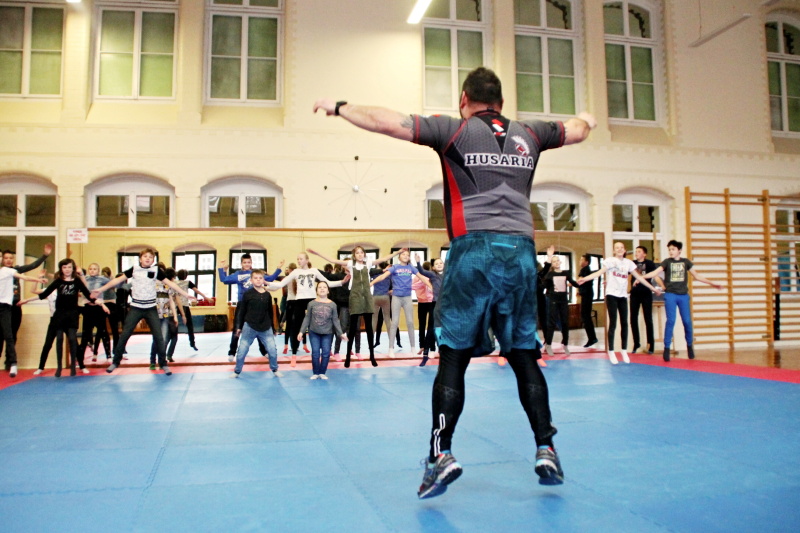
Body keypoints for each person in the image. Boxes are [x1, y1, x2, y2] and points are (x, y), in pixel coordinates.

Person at [315, 66, 596, 497]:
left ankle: (441, 455)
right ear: (501, 102)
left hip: (473, 251)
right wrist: (589, 118)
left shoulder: (454, 130)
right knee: (524, 355)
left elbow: (388, 121)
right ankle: (546, 448)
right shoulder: (531, 133)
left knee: (454, 357)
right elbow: (577, 129)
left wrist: (340, 107)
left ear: (464, 99)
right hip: (521, 253)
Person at [90, 248, 196, 375]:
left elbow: (170, 284)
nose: (147, 259)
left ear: (153, 260)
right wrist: (101, 289)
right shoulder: (134, 269)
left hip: (151, 308)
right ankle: (115, 361)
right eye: (145, 256)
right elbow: (117, 280)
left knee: (159, 337)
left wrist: (185, 294)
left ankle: (163, 363)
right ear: (140, 259)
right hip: (136, 307)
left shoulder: (156, 270)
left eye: (150, 257)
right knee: (125, 334)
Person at [308, 246, 399, 367]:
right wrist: (317, 252)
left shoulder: (368, 264)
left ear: (364, 254)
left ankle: (369, 355)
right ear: (354, 256)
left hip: (365, 297)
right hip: (352, 300)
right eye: (357, 253)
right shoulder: (349, 266)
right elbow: (333, 261)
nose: (360, 254)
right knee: (348, 328)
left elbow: (381, 260)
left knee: (364, 328)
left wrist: (397, 253)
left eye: (362, 252)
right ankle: (344, 355)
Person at [579, 242, 662, 364]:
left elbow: (639, 278)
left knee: (625, 323)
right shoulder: (610, 261)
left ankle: (623, 350)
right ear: (614, 250)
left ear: (624, 250)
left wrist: (653, 288)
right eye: (617, 248)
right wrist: (585, 279)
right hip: (612, 294)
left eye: (621, 248)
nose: (619, 249)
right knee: (613, 323)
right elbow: (599, 272)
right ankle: (611, 351)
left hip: (622, 296)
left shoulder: (629, 263)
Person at [19, 258, 104, 376]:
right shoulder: (58, 281)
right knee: (52, 342)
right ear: (61, 269)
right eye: (64, 267)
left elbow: (87, 294)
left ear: (73, 268)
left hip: (72, 315)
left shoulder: (77, 281)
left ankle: (80, 366)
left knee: (73, 340)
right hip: (59, 316)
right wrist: (26, 300)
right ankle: (47, 367)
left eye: (69, 267)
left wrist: (99, 302)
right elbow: (44, 294)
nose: (67, 270)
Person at [643, 239, 723, 361]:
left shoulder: (686, 262)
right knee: (671, 321)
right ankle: (667, 348)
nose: (671, 251)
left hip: (683, 296)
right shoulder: (667, 262)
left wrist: (712, 283)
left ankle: (689, 345)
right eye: (669, 249)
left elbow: (697, 276)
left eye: (673, 249)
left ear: (679, 250)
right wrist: (641, 277)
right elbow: (654, 273)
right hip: (671, 295)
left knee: (687, 321)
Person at [370, 249, 432, 358]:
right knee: (394, 323)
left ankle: (413, 348)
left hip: (407, 297)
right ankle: (391, 349)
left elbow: (422, 277)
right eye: (403, 254)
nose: (405, 256)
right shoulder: (395, 267)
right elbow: (383, 276)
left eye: (407, 255)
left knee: (410, 322)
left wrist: (431, 286)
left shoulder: (411, 268)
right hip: (396, 297)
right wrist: (371, 283)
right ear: (399, 257)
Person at [219, 255, 283, 358]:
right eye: (244, 262)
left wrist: (278, 268)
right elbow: (224, 280)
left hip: (256, 304)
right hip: (242, 303)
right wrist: (221, 268)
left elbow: (270, 278)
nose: (247, 264)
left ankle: (264, 351)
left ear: (251, 263)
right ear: (241, 264)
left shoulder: (255, 274)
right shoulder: (238, 274)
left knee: (259, 327)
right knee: (237, 327)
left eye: (248, 262)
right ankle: (232, 352)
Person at [0, 243, 52, 370]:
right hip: (3, 306)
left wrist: (44, 256)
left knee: (12, 334)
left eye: (10, 258)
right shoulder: (2, 272)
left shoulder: (16, 270)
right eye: (6, 258)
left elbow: (32, 266)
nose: (8, 260)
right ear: (2, 260)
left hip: (15, 305)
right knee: (2, 334)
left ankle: (9, 362)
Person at [232, 269, 280, 378]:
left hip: (265, 327)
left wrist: (273, 327)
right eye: (255, 278)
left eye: (260, 278)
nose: (258, 280)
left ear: (263, 280)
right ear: (251, 280)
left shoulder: (267, 295)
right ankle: (237, 371)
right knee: (242, 351)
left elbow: (270, 312)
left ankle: (275, 369)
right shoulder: (247, 294)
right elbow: (242, 311)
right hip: (249, 326)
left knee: (272, 350)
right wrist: (239, 327)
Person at [298, 280, 347, 379]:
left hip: (327, 332)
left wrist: (340, 333)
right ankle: (316, 372)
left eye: (324, 287)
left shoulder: (332, 305)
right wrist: (301, 331)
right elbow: (307, 318)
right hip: (314, 332)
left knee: (326, 353)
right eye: (320, 287)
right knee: (315, 353)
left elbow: (335, 320)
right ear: (316, 291)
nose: (322, 289)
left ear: (328, 291)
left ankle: (322, 372)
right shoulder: (311, 304)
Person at [542, 256, 579, 356]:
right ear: (552, 264)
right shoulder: (550, 274)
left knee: (565, 322)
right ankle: (548, 345)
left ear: (560, 262)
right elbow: (544, 286)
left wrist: (582, 283)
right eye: (554, 261)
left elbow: (573, 282)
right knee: (551, 322)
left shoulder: (566, 273)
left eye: (557, 260)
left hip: (563, 301)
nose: (556, 262)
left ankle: (565, 345)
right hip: (553, 300)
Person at [412, 254, 444, 366]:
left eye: (441, 263)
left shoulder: (448, 274)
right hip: (435, 304)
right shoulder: (432, 274)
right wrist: (418, 262)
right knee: (431, 327)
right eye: (436, 264)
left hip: (446, 304)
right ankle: (426, 351)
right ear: (433, 267)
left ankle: (442, 349)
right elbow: (422, 271)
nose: (439, 265)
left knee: (444, 328)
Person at [78, 263, 111, 364]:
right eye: (91, 269)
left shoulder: (102, 279)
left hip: (99, 308)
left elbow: (113, 283)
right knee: (86, 334)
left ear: (98, 270)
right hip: (88, 308)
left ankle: (108, 355)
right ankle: (80, 358)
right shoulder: (85, 279)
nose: (92, 270)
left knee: (103, 332)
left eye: (95, 269)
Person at [630, 246, 659, 354]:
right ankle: (636, 343)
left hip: (646, 293)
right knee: (633, 318)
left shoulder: (650, 263)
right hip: (635, 293)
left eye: (639, 251)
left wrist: (662, 287)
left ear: (644, 254)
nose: (636, 253)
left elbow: (655, 276)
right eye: (636, 251)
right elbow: (623, 274)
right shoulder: (632, 263)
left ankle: (651, 344)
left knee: (648, 319)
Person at [175, 269, 210, 351]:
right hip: (184, 305)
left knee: (173, 324)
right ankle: (192, 343)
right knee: (190, 325)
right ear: (186, 276)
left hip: (175, 305)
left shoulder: (174, 283)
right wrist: (205, 297)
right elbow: (197, 291)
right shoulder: (187, 282)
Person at [577, 254, 599, 348]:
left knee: (585, 316)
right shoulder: (585, 270)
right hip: (586, 294)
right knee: (585, 316)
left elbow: (580, 281)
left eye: (582, 259)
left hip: (587, 295)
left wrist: (567, 283)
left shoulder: (585, 270)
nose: (580, 261)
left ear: (586, 262)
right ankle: (592, 337)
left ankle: (592, 338)